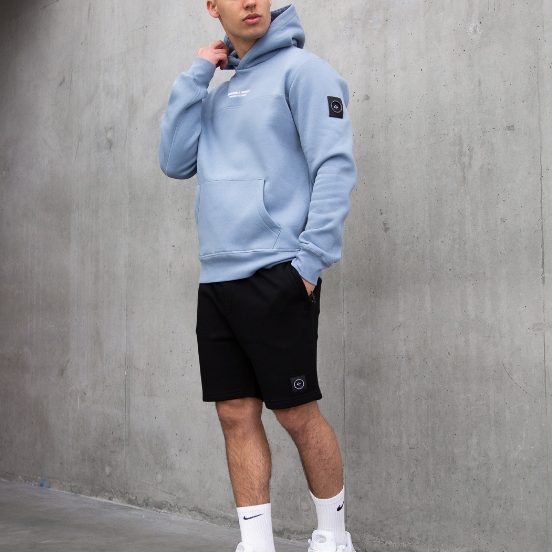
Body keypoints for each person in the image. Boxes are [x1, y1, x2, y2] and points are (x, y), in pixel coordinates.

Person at [158, 2, 357, 551]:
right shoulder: (214, 93)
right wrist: (197, 74)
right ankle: (256, 544)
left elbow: (335, 165)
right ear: (212, 6)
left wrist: (310, 264)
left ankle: (333, 539)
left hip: (278, 271)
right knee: (234, 414)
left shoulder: (305, 73)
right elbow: (174, 161)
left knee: (296, 413)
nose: (251, 2)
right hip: (217, 277)